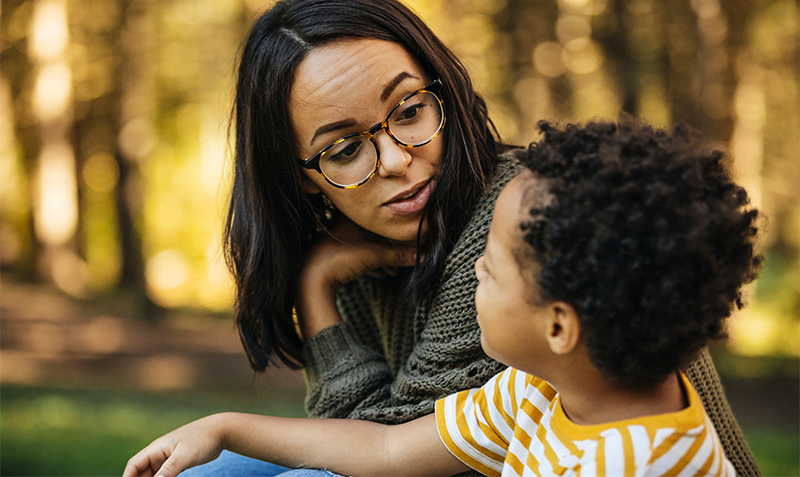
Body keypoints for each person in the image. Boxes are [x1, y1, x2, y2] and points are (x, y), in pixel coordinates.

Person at [177, 0, 760, 476]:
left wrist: (316, 286)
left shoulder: (521, 223)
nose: (398, 160)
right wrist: (228, 423)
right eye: (347, 148)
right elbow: (382, 448)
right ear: (302, 176)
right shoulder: (525, 394)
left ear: (443, 92)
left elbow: (376, 457)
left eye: (409, 111)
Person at [124, 119, 762, 477]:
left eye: (489, 267)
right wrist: (224, 427)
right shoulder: (539, 387)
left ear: (560, 325)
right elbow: (389, 448)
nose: (471, 269)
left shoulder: (635, 465)